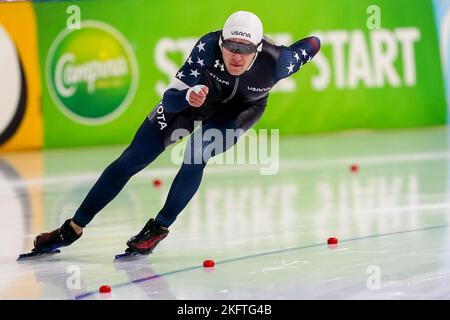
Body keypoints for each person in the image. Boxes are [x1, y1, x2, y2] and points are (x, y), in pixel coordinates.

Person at [28, 11, 321, 257]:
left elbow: (313, 43)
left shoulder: (278, 61)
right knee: (130, 160)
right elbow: (170, 100)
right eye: (230, 46)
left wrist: (298, 50)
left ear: (257, 49)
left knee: (197, 153)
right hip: (193, 102)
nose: (236, 55)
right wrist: (189, 96)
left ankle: (159, 227)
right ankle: (73, 228)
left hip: (239, 111)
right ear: (220, 41)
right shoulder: (206, 47)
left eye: (245, 49)